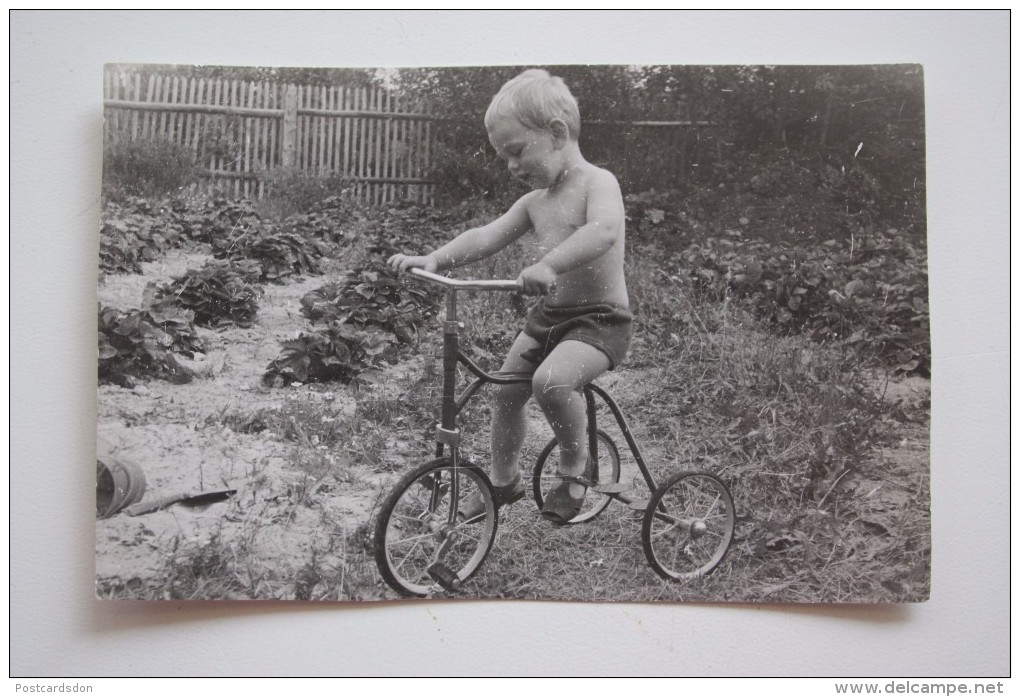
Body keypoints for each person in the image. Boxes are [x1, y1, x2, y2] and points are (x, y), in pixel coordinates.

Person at [388, 69, 632, 524]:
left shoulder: (599, 182)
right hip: (551, 316)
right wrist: (436, 259)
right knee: (505, 391)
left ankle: (577, 468)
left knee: (551, 383)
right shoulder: (535, 202)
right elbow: (486, 236)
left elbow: (604, 230)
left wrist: (550, 264)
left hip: (600, 320)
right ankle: (503, 483)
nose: (512, 167)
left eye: (517, 151)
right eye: (504, 157)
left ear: (557, 133)